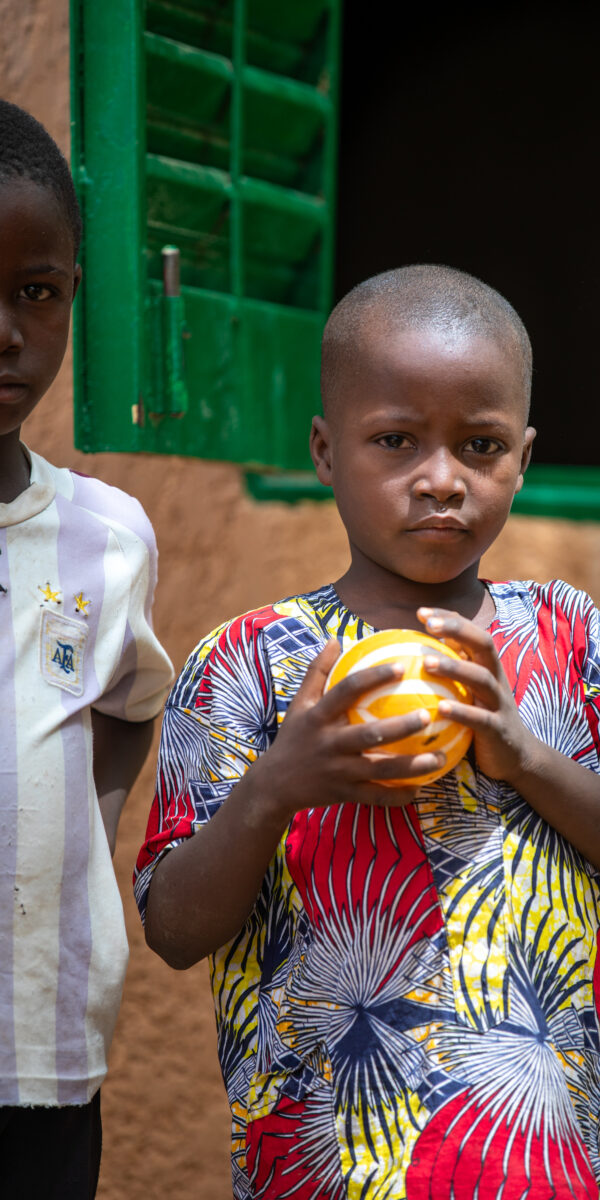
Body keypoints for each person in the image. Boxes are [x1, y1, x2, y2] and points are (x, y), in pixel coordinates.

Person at [135, 264, 600, 1200]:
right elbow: (171, 928)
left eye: (481, 445)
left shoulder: (571, 639)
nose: (442, 481)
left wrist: (525, 753)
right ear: (327, 452)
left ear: (523, 459)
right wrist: (277, 783)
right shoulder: (248, 662)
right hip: (328, 1177)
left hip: (560, 1170)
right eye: (397, 440)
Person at [0, 100, 173, 1198]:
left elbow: (126, 703)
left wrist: (82, 844)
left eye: (36, 293)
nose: (6, 333)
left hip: (43, 1048)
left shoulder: (105, 539)